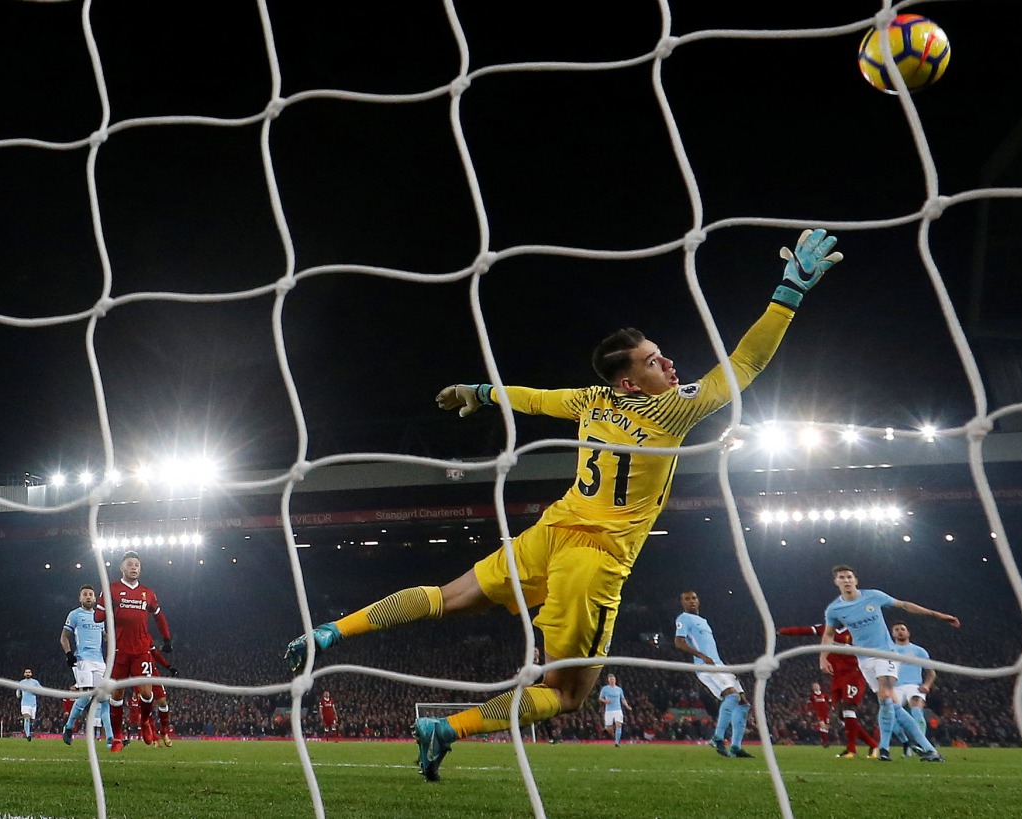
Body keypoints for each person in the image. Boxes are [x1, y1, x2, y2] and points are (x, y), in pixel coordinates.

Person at [285, 229, 843, 782]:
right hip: (593, 559)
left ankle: (330, 632)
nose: (668, 363)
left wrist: (480, 393)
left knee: (447, 597)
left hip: (549, 532)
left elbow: (532, 399)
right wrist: (789, 293)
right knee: (566, 695)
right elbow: (746, 362)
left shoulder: (591, 399)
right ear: (630, 384)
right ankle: (446, 728)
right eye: (653, 361)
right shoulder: (672, 410)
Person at [820, 565, 958, 763]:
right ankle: (927, 749)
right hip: (864, 659)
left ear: (856, 580)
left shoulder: (873, 596)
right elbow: (829, 635)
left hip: (886, 653)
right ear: (836, 582)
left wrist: (935, 614)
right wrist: (823, 657)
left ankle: (888, 748)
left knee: (885, 694)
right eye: (842, 577)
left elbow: (904, 605)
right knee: (890, 704)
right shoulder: (834, 609)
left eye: (849, 576)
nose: (846, 580)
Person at [93, 550, 173, 753]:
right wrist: (108, 606)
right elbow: (98, 617)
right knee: (117, 694)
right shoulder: (111, 589)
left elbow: (159, 616)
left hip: (141, 650)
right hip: (119, 650)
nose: (134, 568)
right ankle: (117, 738)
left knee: (146, 693)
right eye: (130, 564)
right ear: (122, 567)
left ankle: (145, 721)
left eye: (137, 565)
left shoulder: (148, 593)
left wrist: (166, 638)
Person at [777, 623, 879, 759]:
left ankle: (851, 750)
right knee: (842, 715)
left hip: (854, 674)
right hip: (837, 677)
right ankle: (872, 744)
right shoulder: (827, 628)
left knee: (848, 709)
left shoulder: (856, 630)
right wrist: (782, 631)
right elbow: (805, 630)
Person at [674, 590, 754, 758]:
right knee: (732, 696)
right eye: (687, 599)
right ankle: (717, 738)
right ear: (682, 603)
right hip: (706, 667)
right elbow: (679, 642)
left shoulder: (703, 621)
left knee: (743, 703)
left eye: (694, 598)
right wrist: (701, 656)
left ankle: (736, 747)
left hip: (718, 664)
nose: (691, 601)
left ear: (698, 600)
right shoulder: (683, 618)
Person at [60, 583, 115, 747]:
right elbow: (64, 636)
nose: (88, 597)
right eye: (85, 594)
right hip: (82, 660)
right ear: (80, 598)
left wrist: (114, 640)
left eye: (90, 594)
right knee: (86, 695)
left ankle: (111, 738)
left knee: (104, 699)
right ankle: (69, 727)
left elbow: (105, 636)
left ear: (95, 598)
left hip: (99, 662)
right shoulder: (75, 614)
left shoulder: (100, 617)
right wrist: (69, 654)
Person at [891, 621, 936, 757]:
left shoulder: (919, 651)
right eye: (896, 629)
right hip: (895, 687)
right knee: (890, 716)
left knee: (916, 711)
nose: (900, 631)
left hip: (914, 686)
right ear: (892, 634)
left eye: (902, 629)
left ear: (908, 633)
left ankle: (919, 744)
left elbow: (931, 673)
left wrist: (927, 685)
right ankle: (906, 743)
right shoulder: (888, 650)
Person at [597, 673, 631, 746]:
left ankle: (617, 742)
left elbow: (622, 699)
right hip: (609, 710)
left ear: (615, 680)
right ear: (608, 681)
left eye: (613, 679)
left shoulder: (619, 689)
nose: (612, 681)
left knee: (619, 724)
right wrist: (606, 701)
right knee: (608, 728)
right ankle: (606, 732)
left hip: (618, 710)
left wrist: (627, 706)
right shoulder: (605, 689)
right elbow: (600, 698)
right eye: (610, 680)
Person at [15, 668, 40, 741]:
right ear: (24, 674)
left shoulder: (35, 682)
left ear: (31, 674)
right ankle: (28, 735)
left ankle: (27, 730)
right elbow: (18, 690)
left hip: (33, 704)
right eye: (26, 672)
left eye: (29, 672)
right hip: (25, 704)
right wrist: (18, 694)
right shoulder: (21, 682)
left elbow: (40, 690)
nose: (28, 673)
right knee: (26, 718)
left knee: (32, 720)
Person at [806, 682, 832, 748]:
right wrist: (809, 711)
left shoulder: (824, 694)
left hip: (826, 712)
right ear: (813, 688)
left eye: (817, 685)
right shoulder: (812, 696)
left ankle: (825, 741)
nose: (816, 687)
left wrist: (832, 706)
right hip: (818, 713)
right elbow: (809, 704)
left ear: (819, 687)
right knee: (822, 725)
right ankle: (825, 742)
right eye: (814, 686)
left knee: (826, 727)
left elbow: (829, 701)